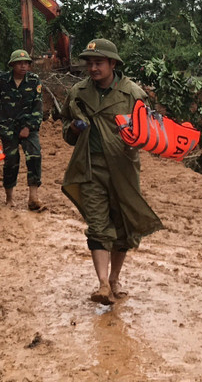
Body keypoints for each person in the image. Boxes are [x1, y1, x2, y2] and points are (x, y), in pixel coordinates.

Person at [60, 38, 162, 306]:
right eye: (89, 63)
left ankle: (115, 278)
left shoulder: (133, 95)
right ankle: (103, 284)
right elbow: (67, 134)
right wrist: (73, 129)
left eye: (99, 63)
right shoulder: (78, 93)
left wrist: (136, 137)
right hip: (90, 168)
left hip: (123, 169)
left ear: (113, 64)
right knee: (97, 225)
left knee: (123, 226)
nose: (93, 68)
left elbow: (150, 134)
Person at [0, 49, 43, 209]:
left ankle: (33, 198)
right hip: (8, 129)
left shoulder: (34, 81)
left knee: (34, 157)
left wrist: (28, 127)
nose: (23, 66)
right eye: (19, 63)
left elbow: (38, 108)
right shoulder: (2, 81)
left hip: (28, 128)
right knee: (10, 162)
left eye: (26, 63)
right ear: (12, 65)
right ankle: (9, 199)